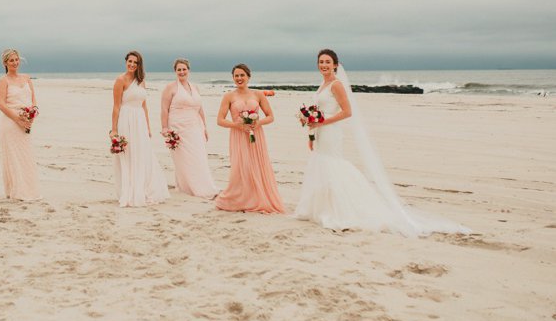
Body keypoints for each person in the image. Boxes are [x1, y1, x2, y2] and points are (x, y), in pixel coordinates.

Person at [295, 49, 469, 236]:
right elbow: (318, 111)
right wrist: (311, 131)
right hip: (321, 132)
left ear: (336, 65)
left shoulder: (336, 85)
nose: (324, 65)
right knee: (321, 165)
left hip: (331, 132)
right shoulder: (323, 84)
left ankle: (340, 209)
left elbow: (347, 112)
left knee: (333, 166)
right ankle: (323, 208)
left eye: (328, 62)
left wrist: (323, 121)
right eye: (321, 62)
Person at [214, 63, 285, 213]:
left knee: (257, 165)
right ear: (233, 78)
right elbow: (220, 120)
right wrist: (237, 126)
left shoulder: (258, 94)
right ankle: (239, 199)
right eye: (236, 76)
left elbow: (271, 116)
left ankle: (257, 198)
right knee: (242, 167)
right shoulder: (229, 96)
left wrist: (257, 123)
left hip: (256, 135)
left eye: (242, 75)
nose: (239, 78)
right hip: (238, 135)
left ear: (248, 77)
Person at [110, 51, 169, 207]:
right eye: (130, 61)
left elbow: (144, 106)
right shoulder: (120, 80)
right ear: (126, 62)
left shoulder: (141, 81)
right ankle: (128, 190)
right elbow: (116, 107)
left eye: (135, 62)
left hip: (140, 121)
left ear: (139, 65)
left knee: (143, 154)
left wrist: (148, 127)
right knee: (129, 154)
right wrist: (114, 130)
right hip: (126, 119)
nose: (132, 64)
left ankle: (143, 187)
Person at [160, 58, 217, 198]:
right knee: (184, 158)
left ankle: (203, 184)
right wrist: (165, 128)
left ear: (188, 70)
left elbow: (199, 108)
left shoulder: (195, 87)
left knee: (199, 155)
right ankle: (188, 187)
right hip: (178, 127)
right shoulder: (170, 88)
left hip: (195, 126)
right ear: (175, 71)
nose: (181, 72)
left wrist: (204, 127)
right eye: (179, 69)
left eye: (184, 69)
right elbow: (164, 109)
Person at [0, 48, 41, 200]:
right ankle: (17, 191)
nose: (15, 63)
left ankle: (28, 189)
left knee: (25, 155)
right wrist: (17, 119)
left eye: (16, 60)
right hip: (11, 122)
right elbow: (1, 104)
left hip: (27, 120)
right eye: (11, 60)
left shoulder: (27, 78)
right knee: (14, 156)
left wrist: (32, 114)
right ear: (5, 63)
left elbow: (33, 99)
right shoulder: (4, 81)